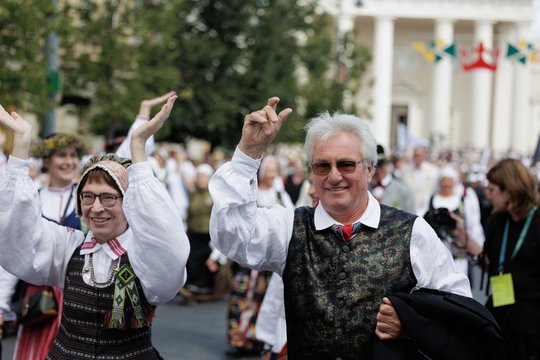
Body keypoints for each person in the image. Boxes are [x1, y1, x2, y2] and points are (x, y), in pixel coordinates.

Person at [209, 97, 471, 358]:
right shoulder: (290, 226)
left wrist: (412, 325)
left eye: (345, 164)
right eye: (322, 166)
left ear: (369, 169)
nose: (334, 176)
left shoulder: (412, 232)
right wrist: (247, 155)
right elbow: (232, 237)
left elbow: (459, 306)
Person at [0, 95, 190, 359]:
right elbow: (15, 233)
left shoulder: (145, 255)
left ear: (130, 203)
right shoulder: (68, 247)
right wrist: (20, 148)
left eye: (108, 197)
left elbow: (171, 245)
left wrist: (138, 147)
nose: (96, 207)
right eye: (88, 196)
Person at [224, 154, 293, 358]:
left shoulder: (280, 194)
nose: (272, 174)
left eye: (274, 170)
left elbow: (290, 218)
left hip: (267, 263)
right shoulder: (251, 192)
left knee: (263, 300)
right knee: (241, 296)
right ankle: (238, 338)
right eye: (269, 170)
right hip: (248, 261)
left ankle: (256, 338)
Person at [482, 158, 540, 360]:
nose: (487, 196)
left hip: (531, 325)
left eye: (492, 190)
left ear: (509, 190)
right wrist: (462, 236)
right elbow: (490, 261)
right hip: (500, 312)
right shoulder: (498, 220)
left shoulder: (536, 222)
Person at [418, 165, 484, 275]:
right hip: (433, 256)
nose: (446, 184)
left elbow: (473, 225)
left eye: (449, 181)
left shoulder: (463, 201)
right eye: (444, 181)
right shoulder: (429, 199)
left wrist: (477, 247)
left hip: (459, 257)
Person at [369, 144, 415, 213]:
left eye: (380, 164)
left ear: (386, 163)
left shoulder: (402, 189)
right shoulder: (365, 189)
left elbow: (412, 218)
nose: (377, 170)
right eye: (374, 166)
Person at [401, 146, 440, 212]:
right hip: (409, 208)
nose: (418, 158)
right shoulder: (405, 170)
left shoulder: (434, 170)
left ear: (424, 156)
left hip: (427, 208)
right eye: (416, 155)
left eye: (419, 155)